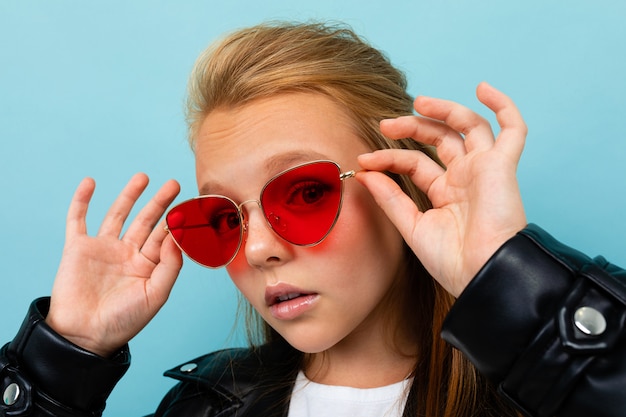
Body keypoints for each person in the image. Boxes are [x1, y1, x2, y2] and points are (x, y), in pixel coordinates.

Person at [1, 21, 624, 417]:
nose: (260, 250)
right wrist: (64, 356)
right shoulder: (203, 408)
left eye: (303, 193)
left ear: (400, 181)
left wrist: (506, 275)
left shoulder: (543, 399)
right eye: (223, 218)